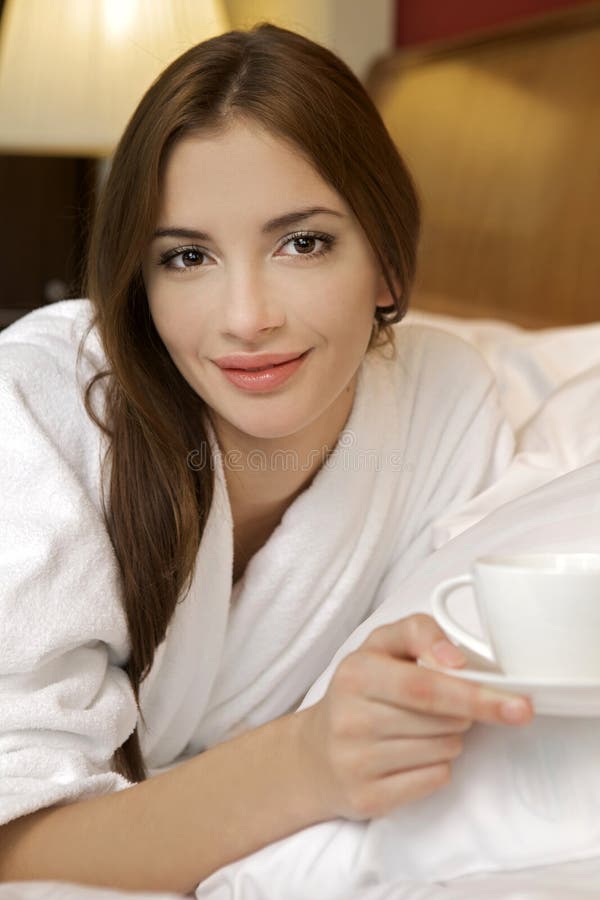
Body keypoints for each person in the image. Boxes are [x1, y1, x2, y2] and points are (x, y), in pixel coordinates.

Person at [0, 22, 533, 895]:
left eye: (303, 242)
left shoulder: (444, 408)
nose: (247, 316)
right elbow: (15, 841)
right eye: (187, 257)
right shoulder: (38, 414)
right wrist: (303, 762)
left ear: (390, 263)